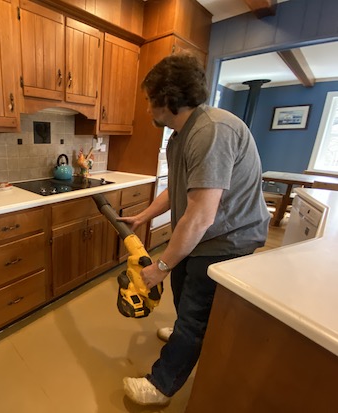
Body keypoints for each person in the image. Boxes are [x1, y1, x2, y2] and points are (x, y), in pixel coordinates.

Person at [119, 54, 270, 406]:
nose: (147, 109)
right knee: (183, 286)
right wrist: (143, 217)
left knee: (195, 307)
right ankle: (188, 328)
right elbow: (177, 188)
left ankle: (160, 386)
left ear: (167, 98)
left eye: (149, 100)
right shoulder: (179, 136)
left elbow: (201, 216)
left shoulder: (211, 132)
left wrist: (160, 266)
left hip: (227, 238)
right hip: (203, 234)